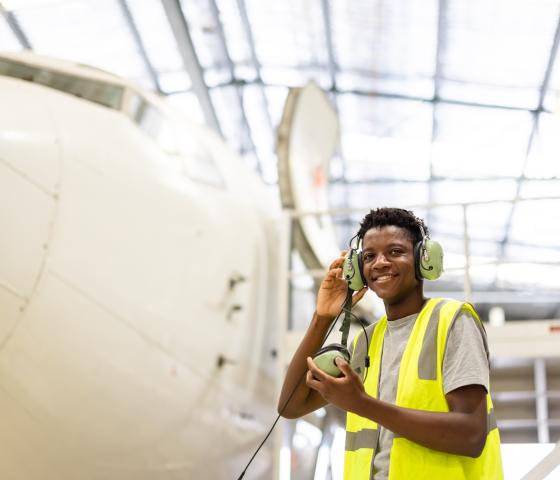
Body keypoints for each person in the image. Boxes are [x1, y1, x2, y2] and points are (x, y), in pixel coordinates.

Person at [278, 207, 503, 479]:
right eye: (370, 256)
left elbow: (471, 435)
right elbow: (291, 406)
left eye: (395, 252)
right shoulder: (367, 341)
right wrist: (322, 317)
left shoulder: (452, 320)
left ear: (424, 259)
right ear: (358, 270)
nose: (380, 263)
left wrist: (361, 403)